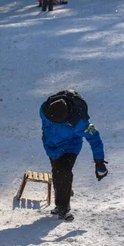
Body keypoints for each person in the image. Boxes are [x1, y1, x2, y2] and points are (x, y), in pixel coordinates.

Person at [40, 90, 108, 222]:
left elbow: (95, 138)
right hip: (50, 146)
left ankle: (63, 208)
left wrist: (99, 161)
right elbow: (45, 129)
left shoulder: (80, 121)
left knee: (63, 171)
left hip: (70, 146)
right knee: (57, 172)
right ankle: (65, 193)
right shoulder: (44, 110)